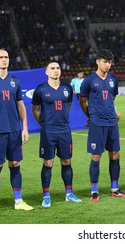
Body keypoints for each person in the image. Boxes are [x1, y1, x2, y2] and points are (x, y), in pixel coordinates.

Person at [0, 49, 34, 214]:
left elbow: (20, 105)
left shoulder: (15, 81)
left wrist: (24, 127)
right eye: (1, 57)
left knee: (15, 164)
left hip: (14, 131)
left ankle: (19, 201)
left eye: (6, 57)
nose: (4, 60)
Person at [79, 49, 125, 202]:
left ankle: (115, 188)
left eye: (109, 62)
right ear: (97, 62)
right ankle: (94, 191)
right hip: (97, 123)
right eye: (104, 61)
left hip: (112, 122)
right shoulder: (89, 80)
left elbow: (112, 97)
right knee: (96, 155)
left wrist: (112, 111)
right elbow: (83, 100)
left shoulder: (113, 79)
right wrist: (91, 115)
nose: (107, 65)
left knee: (115, 154)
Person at [32, 61, 82, 207]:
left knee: (66, 161)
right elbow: (35, 109)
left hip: (64, 130)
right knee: (48, 162)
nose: (56, 70)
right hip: (48, 131)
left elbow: (69, 104)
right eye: (52, 68)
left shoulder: (67, 87)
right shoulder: (41, 89)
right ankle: (46, 196)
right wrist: (44, 123)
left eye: (58, 68)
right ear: (46, 72)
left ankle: (69, 193)